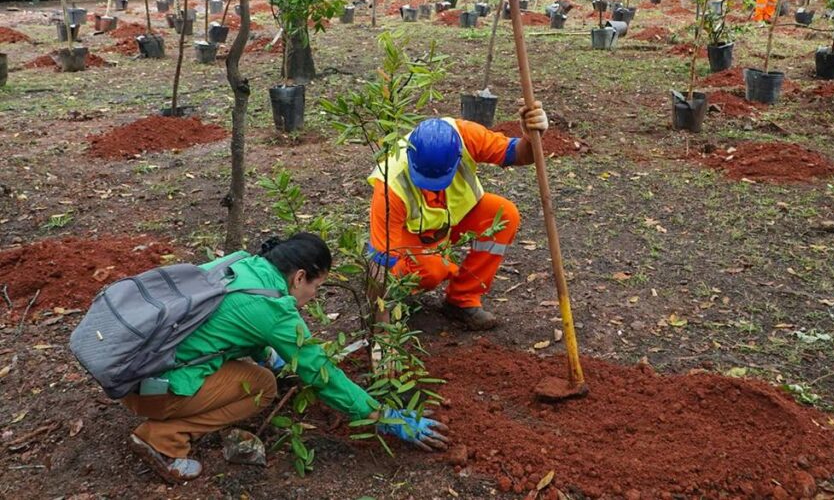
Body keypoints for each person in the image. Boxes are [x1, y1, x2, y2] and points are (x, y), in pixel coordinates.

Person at [122, 233, 449, 483]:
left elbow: (231, 324)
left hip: (132, 369)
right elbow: (321, 374)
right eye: (317, 286)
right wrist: (383, 416)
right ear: (299, 277)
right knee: (262, 386)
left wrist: (268, 353)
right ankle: (164, 441)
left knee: (253, 369)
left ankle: (167, 415)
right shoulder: (274, 309)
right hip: (153, 390)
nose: (314, 296)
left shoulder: (243, 265)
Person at [367, 103, 549, 331]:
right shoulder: (390, 186)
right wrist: (381, 331)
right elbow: (381, 260)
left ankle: (462, 299)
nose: (432, 188)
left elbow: (518, 154)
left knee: (503, 215)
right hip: (413, 237)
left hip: (456, 219)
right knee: (432, 270)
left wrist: (531, 138)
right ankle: (398, 292)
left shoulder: (467, 136)